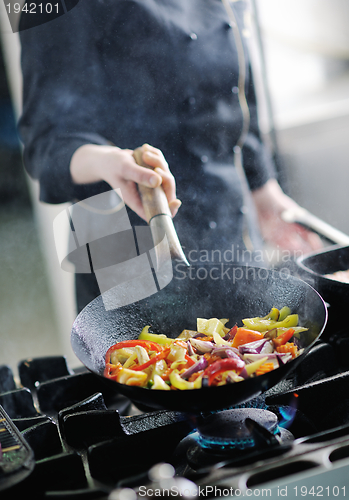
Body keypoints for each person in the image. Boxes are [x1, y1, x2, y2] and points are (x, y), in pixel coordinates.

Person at [18, 0, 321, 312]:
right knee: (154, 357)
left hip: (233, 232)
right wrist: (106, 160)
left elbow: (236, 92)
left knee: (253, 347)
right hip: (130, 249)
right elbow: (46, 141)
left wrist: (263, 189)